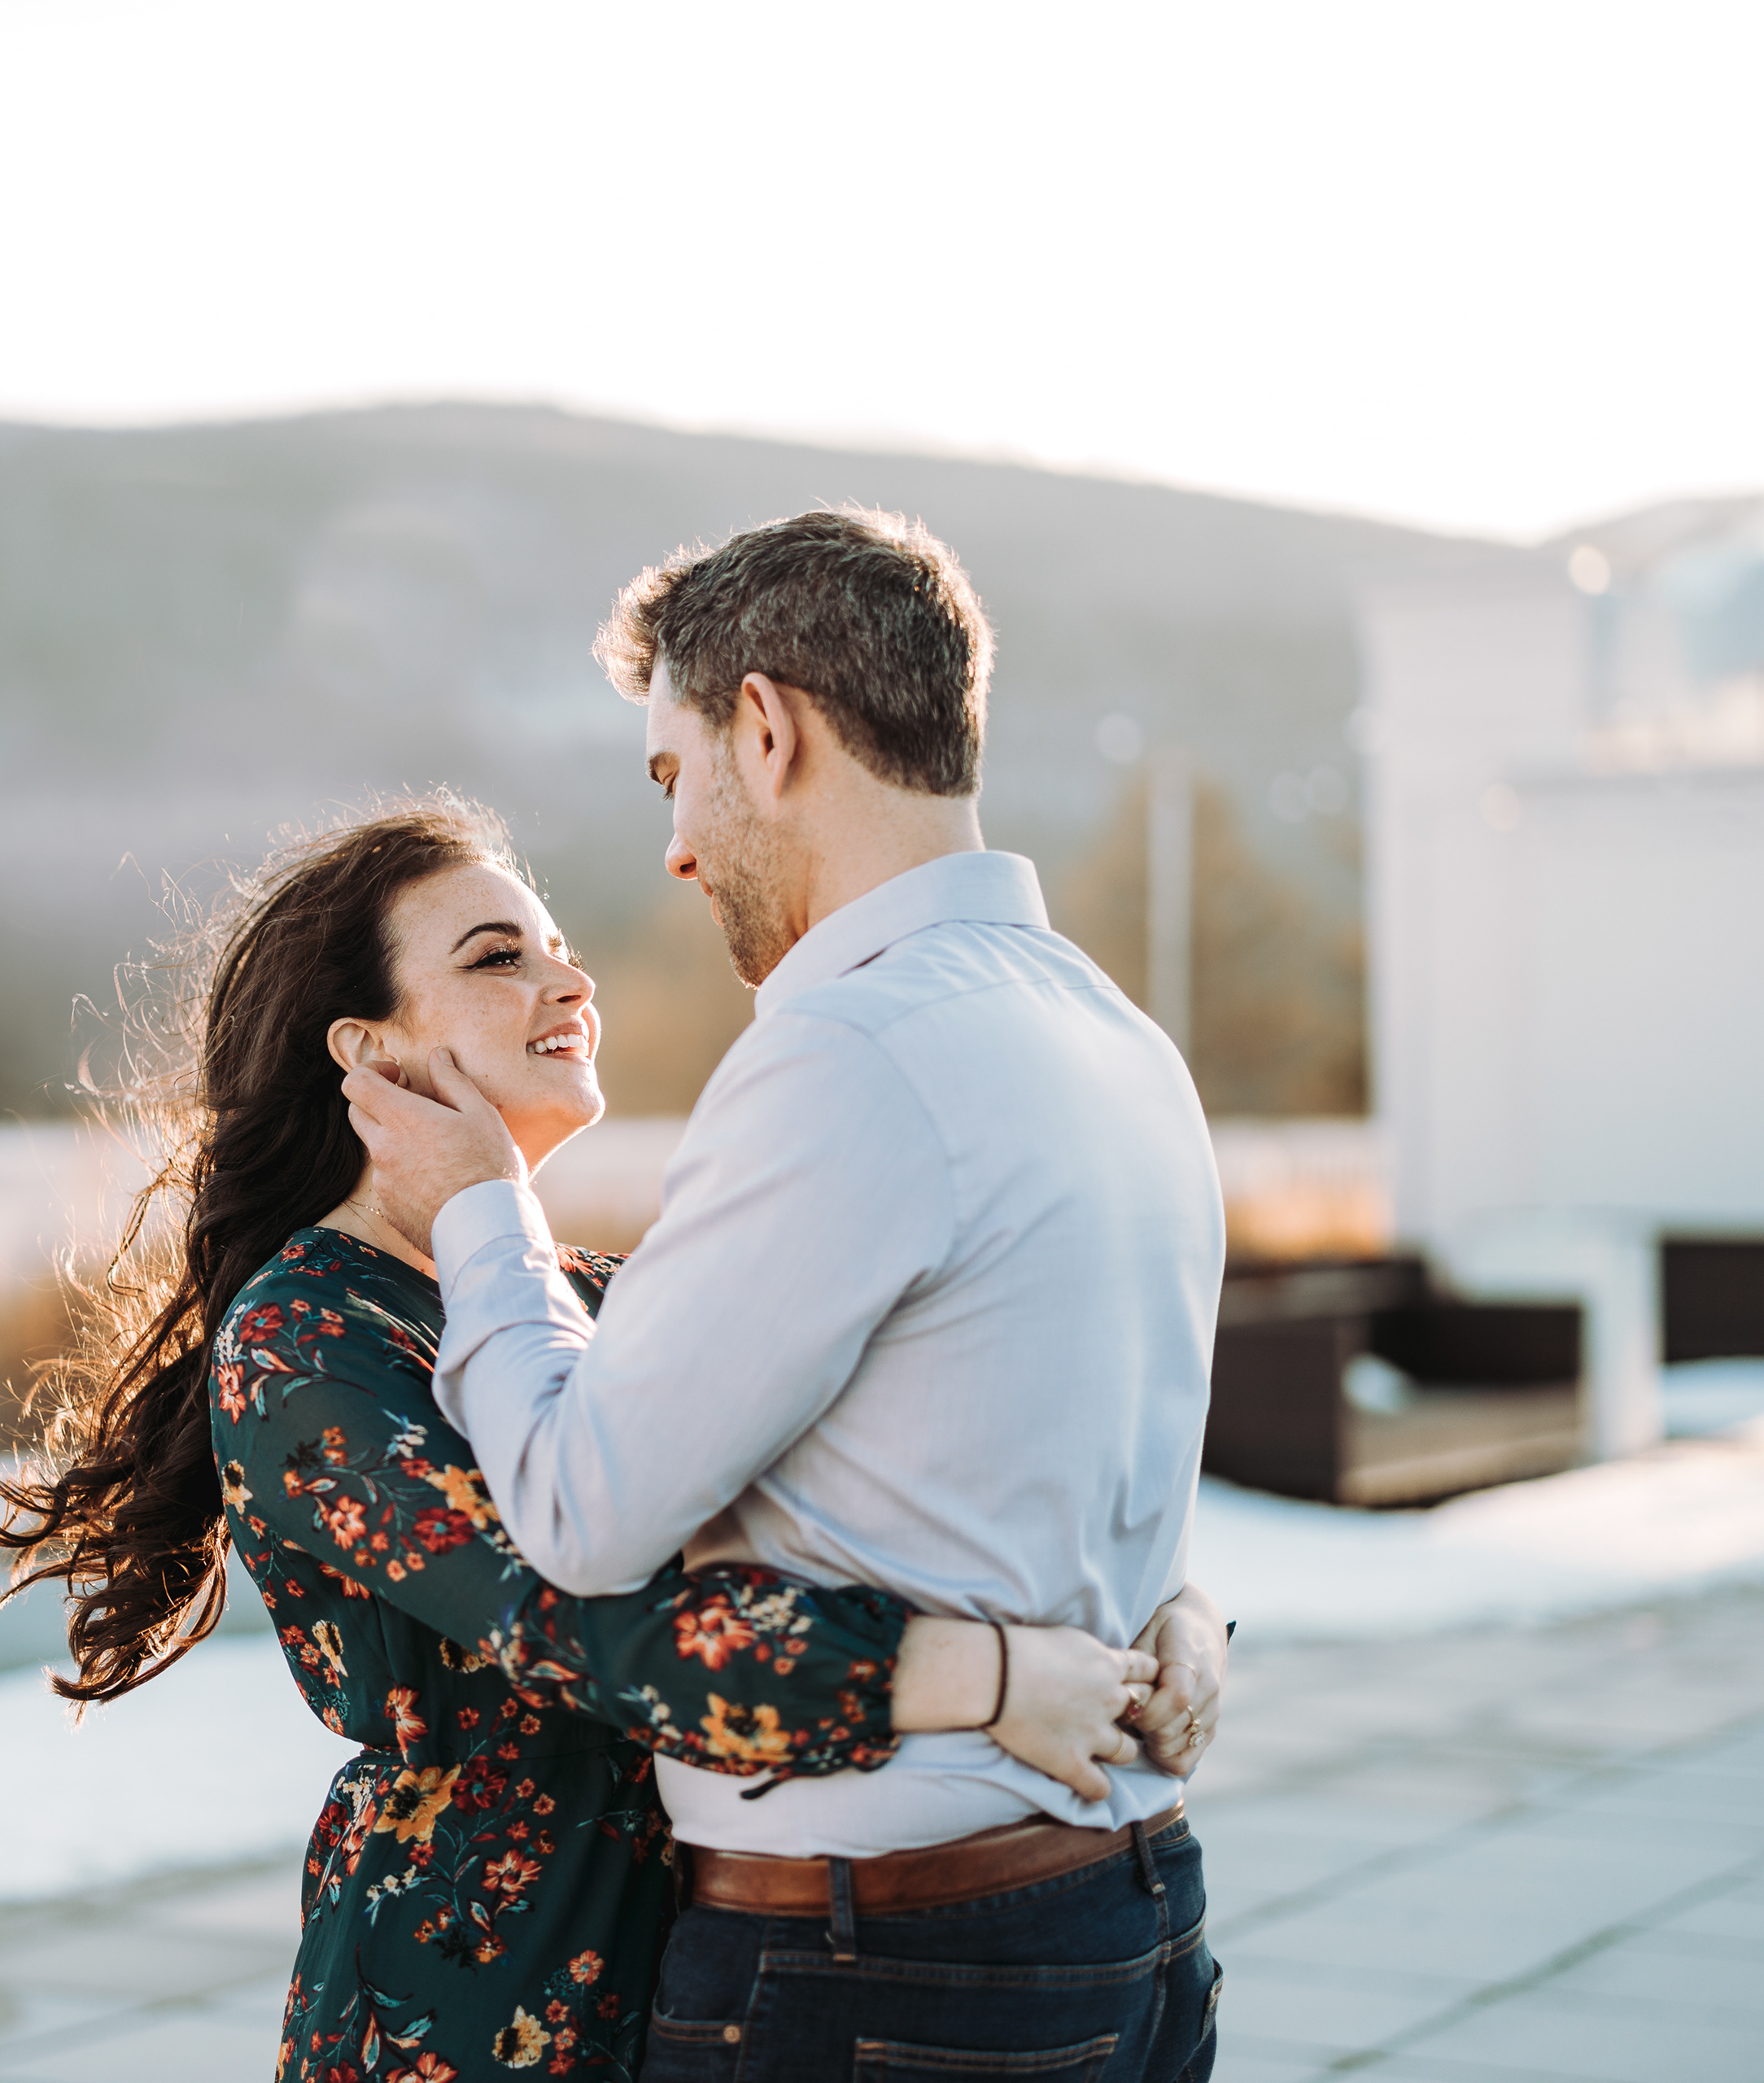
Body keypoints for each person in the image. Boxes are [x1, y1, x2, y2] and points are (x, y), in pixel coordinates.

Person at [0, 797, 1205, 2082]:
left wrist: (1162, 1611)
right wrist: (989, 1681)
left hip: (713, 1968)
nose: (571, 982)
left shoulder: (596, 1297)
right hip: (472, 1999)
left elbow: (899, 1475)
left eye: (560, 949)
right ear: (369, 1051)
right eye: (498, 958)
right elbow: (579, 1624)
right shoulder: (307, 1342)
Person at [344, 511, 1233, 2081]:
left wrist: (482, 1209)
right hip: (1132, 1921)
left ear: (765, 730)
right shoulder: (1119, 1040)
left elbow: (582, 1511)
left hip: (890, 1977)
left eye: (671, 775)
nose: (677, 848)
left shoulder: (849, 1052)